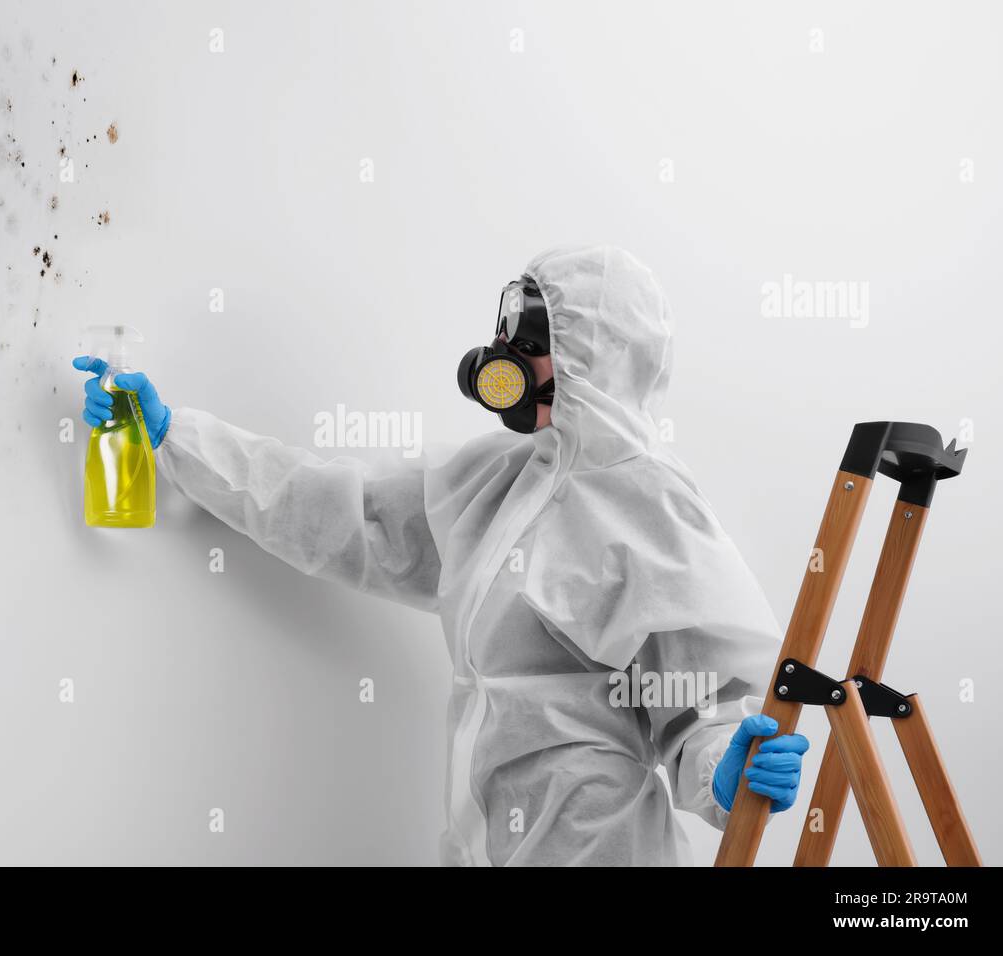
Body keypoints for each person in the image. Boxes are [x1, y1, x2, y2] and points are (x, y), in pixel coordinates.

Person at [73, 244, 808, 866]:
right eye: (510, 332)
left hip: (596, 846)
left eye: (532, 339)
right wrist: (175, 438)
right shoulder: (502, 481)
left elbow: (701, 700)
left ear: (593, 357)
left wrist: (724, 768)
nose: (507, 357)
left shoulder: (648, 501)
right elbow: (342, 514)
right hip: (485, 840)